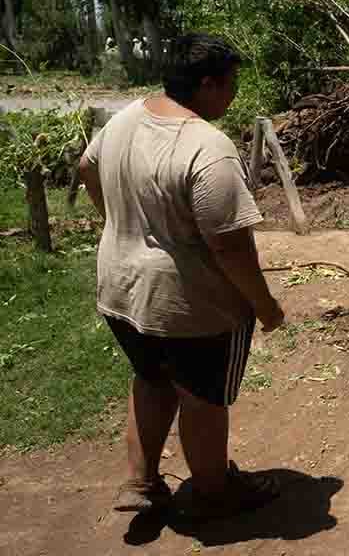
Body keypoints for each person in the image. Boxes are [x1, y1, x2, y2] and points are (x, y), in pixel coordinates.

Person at [79, 33, 285, 518]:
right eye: (231, 84)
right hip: (191, 306)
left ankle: (142, 482)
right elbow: (229, 245)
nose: (234, 95)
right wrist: (264, 305)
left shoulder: (127, 117)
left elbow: (86, 167)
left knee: (151, 379)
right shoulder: (208, 147)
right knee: (202, 398)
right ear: (208, 85)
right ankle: (215, 491)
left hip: (120, 291)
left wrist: (120, 224)